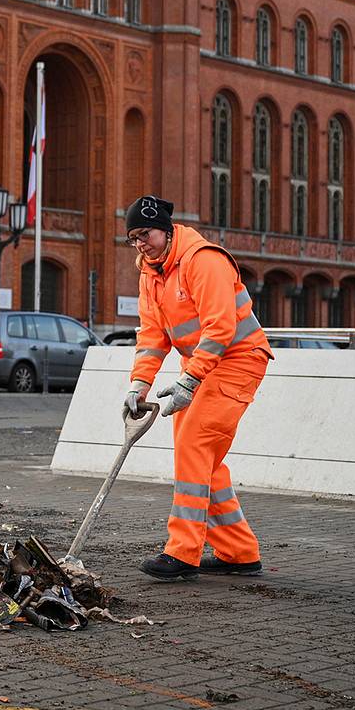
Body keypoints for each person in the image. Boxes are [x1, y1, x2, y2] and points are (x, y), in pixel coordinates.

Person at [122, 194, 272, 581]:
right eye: (133, 237)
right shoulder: (150, 272)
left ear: (166, 231)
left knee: (194, 445)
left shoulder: (203, 260)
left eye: (145, 234)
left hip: (239, 360)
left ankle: (182, 553)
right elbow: (152, 335)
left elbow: (221, 326)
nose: (140, 243)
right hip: (204, 367)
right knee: (203, 461)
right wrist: (139, 385)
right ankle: (239, 552)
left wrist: (190, 379)